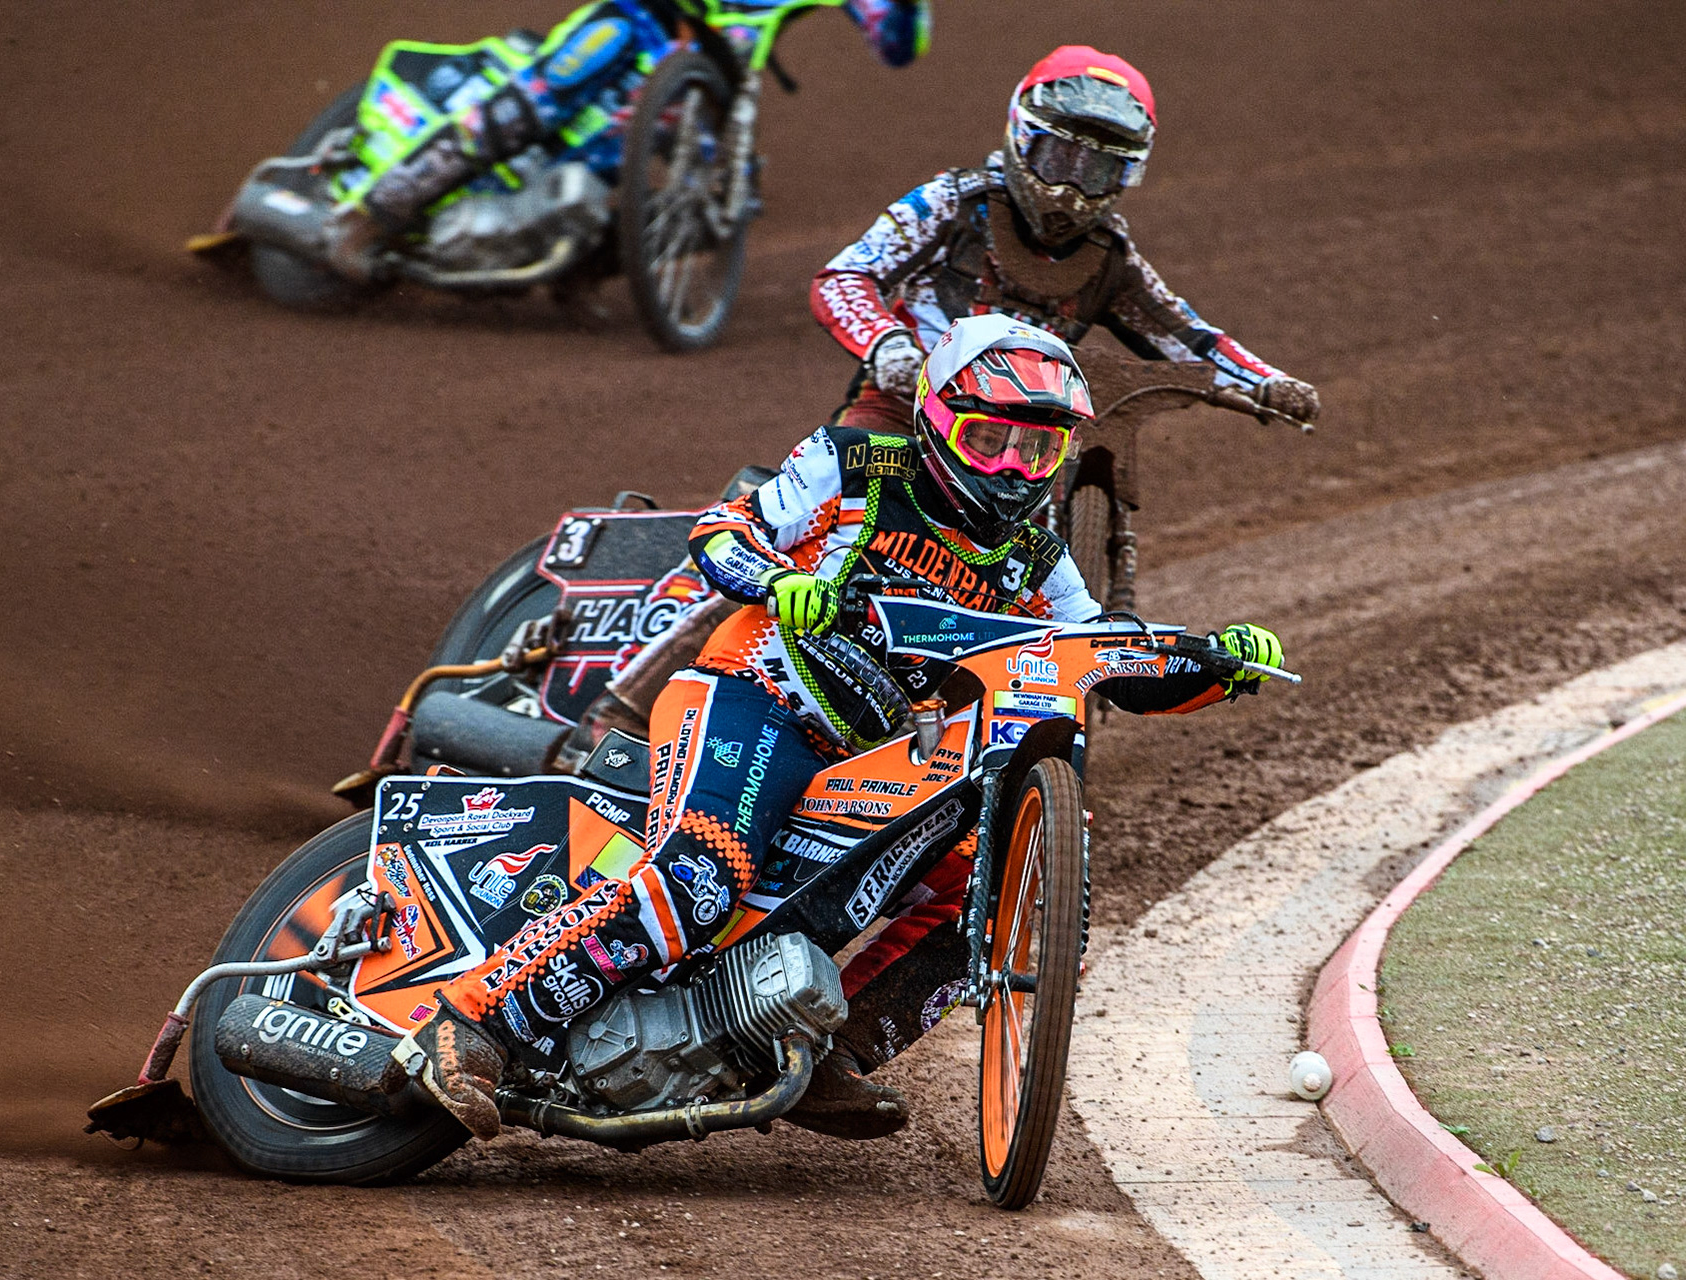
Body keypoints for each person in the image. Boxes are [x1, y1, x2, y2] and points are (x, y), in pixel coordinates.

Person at [393, 316, 1285, 1141]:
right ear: (936, 422)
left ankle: (833, 1051)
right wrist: (779, 582)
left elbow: (1103, 656)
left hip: (879, 750)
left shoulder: (1038, 556)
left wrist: (1214, 665)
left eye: (1035, 448)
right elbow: (723, 531)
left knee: (986, 879)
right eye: (990, 439)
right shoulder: (856, 464)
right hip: (756, 699)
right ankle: (475, 1027)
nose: (1011, 469)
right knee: (700, 879)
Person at [810, 45, 1320, 435]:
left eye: (1095, 172)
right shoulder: (951, 204)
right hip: (911, 408)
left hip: (1028, 434)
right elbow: (846, 275)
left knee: (1042, 548)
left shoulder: (1108, 260)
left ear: (1124, 177)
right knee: (850, 482)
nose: (1069, 192)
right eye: (1058, 161)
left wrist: (1266, 381)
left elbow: (1189, 338)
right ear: (1021, 137)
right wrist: (887, 344)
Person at [333, 0, 930, 276]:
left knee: (721, 205)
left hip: (698, 90)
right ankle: (375, 212)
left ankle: (578, 272)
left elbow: (896, 44)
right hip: (638, 22)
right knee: (535, 102)